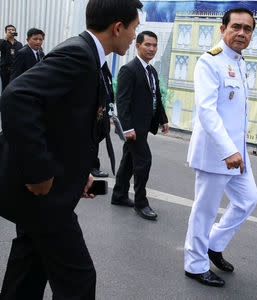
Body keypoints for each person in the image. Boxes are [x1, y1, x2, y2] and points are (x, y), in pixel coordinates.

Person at [0, 0, 142, 298]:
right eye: (133, 29)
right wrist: (38, 172)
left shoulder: (91, 56)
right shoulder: (78, 54)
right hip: (46, 197)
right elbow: (17, 96)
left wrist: (84, 172)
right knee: (78, 281)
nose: (134, 36)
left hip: (49, 195)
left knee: (28, 271)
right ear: (118, 27)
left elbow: (68, 122)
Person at [184, 7, 257, 287]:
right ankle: (195, 264)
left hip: (236, 153)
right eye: (236, 27)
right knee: (204, 210)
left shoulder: (239, 62)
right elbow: (207, 111)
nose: (241, 33)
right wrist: (228, 150)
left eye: (247, 29)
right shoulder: (210, 62)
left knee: (247, 199)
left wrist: (237, 150)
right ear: (222, 28)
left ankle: (213, 244)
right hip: (216, 153)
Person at [111, 31, 169, 220]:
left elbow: (156, 97)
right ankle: (141, 203)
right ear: (138, 46)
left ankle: (119, 195)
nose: (151, 49)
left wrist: (163, 118)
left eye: (154, 45)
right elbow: (122, 100)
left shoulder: (151, 70)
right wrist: (127, 128)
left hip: (144, 125)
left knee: (129, 160)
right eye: (147, 45)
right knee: (143, 161)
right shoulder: (129, 69)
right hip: (134, 128)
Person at [0, 25, 23, 91]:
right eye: (9, 30)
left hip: (15, 69)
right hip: (5, 69)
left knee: (14, 86)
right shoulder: (2, 41)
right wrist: (6, 38)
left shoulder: (19, 44)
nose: (11, 31)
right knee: (5, 87)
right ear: (6, 32)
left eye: (13, 30)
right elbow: (1, 48)